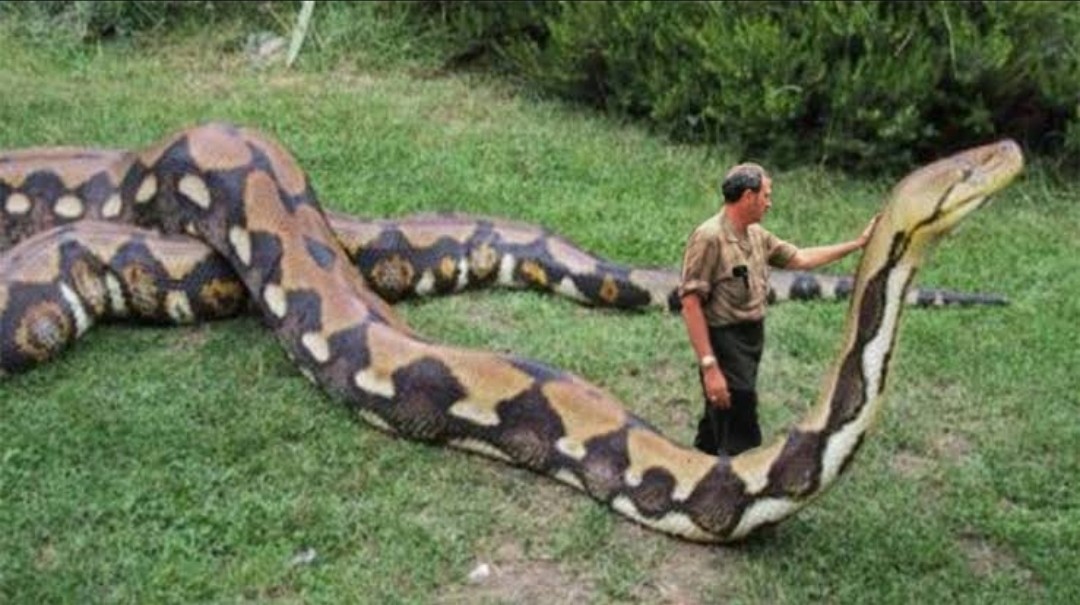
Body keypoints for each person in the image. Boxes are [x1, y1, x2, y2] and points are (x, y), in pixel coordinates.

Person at [678, 162, 878, 457]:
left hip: (750, 337)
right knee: (738, 418)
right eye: (766, 195)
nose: (769, 203)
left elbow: (800, 258)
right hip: (724, 339)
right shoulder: (709, 238)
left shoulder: (757, 235)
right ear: (748, 196)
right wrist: (710, 366)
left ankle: (700, 464)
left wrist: (858, 244)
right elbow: (690, 302)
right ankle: (729, 476)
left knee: (721, 413)